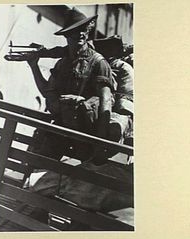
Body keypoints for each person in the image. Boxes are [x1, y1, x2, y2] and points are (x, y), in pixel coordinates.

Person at [26, 8, 129, 164]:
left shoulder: (98, 62)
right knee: (36, 162)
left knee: (83, 178)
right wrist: (34, 66)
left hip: (88, 132)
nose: (81, 33)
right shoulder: (62, 63)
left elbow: (106, 101)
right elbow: (48, 93)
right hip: (62, 127)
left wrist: (100, 142)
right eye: (75, 30)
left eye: (83, 29)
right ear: (67, 35)